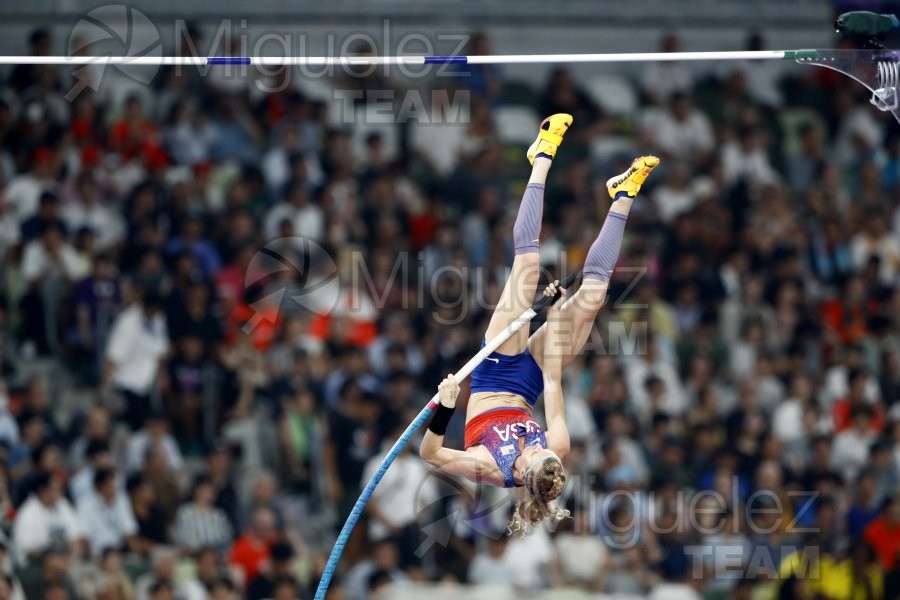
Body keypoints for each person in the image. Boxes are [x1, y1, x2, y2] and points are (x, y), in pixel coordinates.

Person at [420, 113, 660, 535]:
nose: (540, 448)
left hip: (493, 372)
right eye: (546, 454)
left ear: (526, 473)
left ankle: (541, 156)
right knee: (592, 298)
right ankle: (624, 194)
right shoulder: (558, 448)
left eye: (537, 455)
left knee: (528, 267)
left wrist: (445, 406)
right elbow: (552, 379)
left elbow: (432, 455)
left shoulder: (489, 468)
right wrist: (553, 313)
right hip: (533, 380)